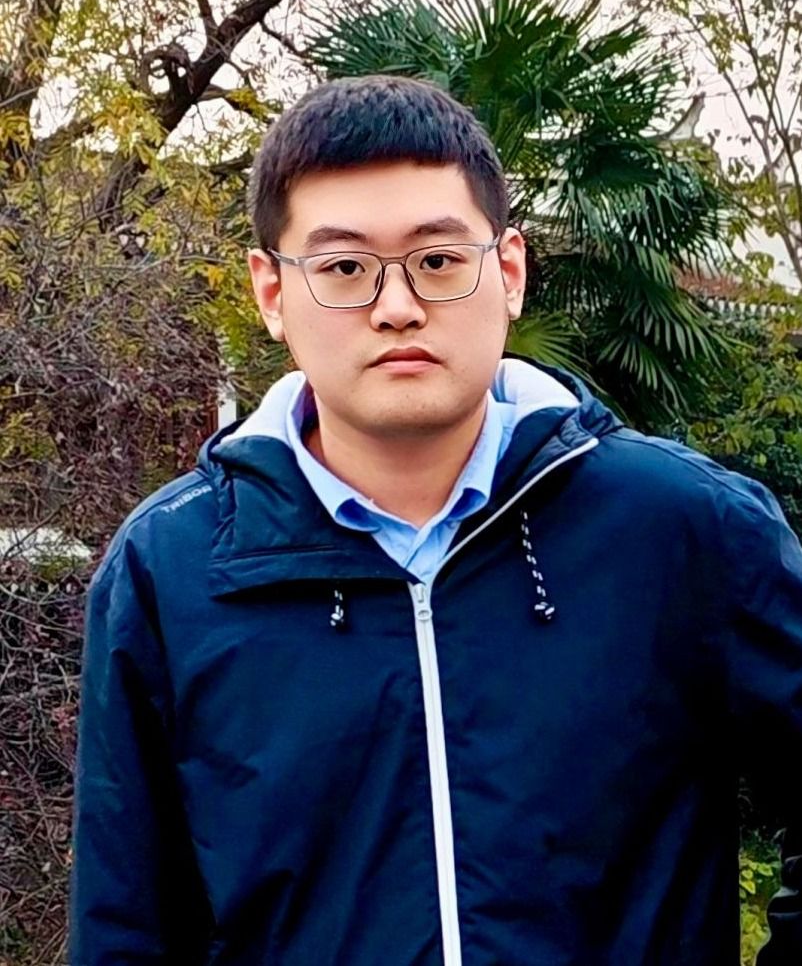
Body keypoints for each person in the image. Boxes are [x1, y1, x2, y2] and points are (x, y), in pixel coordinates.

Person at [70, 75, 802, 965]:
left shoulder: (683, 529)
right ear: (271, 293)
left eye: (439, 260)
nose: (397, 307)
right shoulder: (174, 570)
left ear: (509, 272)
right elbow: (126, 925)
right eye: (344, 269)